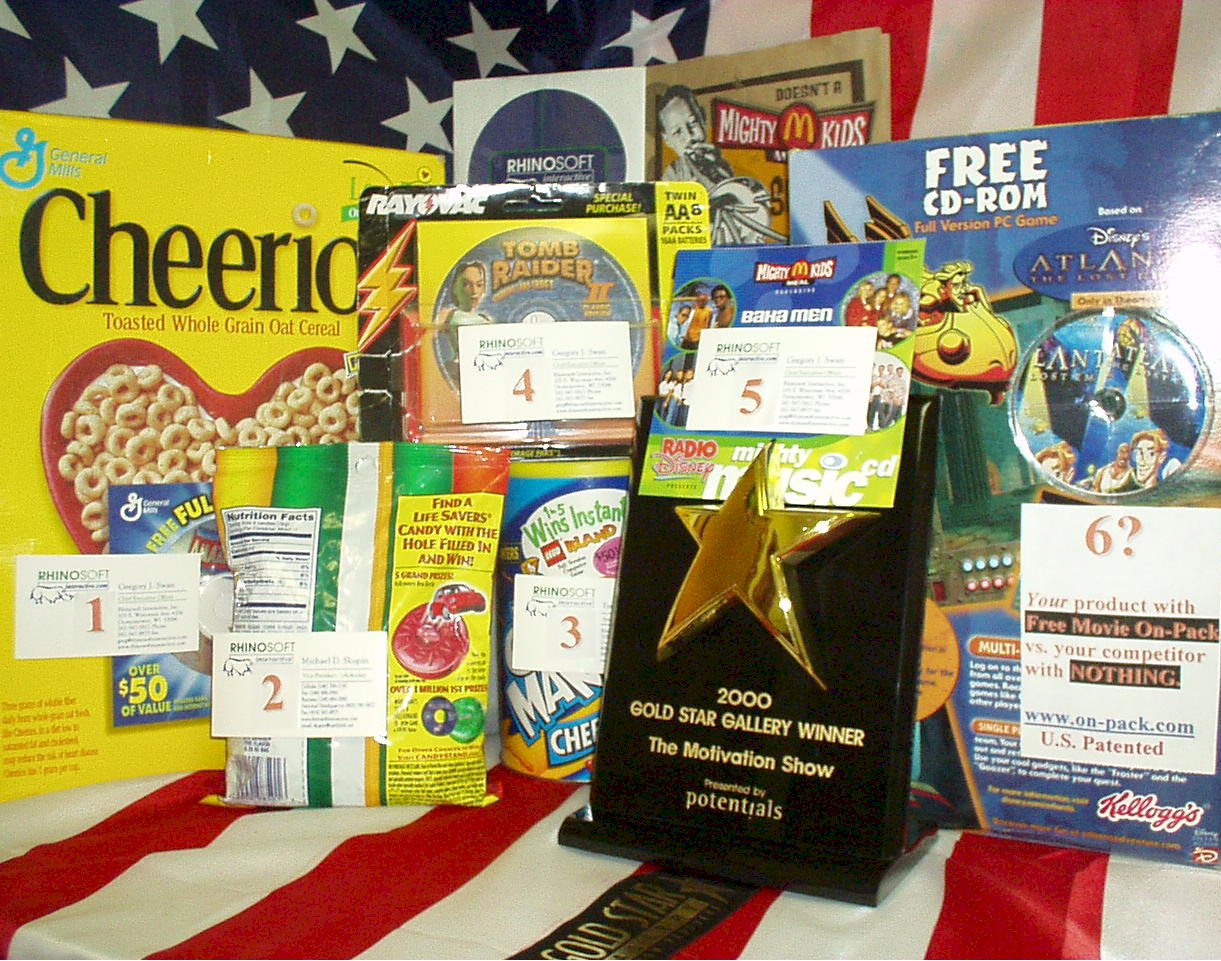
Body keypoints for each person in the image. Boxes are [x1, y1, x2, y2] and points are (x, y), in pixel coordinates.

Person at [657, 85, 734, 191]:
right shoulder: (669, 178)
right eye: (677, 132)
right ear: (667, 140)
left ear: (703, 116)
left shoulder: (721, 162)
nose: (689, 137)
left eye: (692, 123)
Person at [436, 261, 491, 326]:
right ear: (455, 287)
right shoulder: (446, 314)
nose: (474, 291)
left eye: (479, 285)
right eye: (466, 284)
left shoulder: (485, 319)